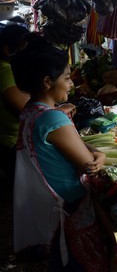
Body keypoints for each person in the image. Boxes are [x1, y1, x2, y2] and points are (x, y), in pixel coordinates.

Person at [11, 34, 110, 271]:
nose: (71, 84)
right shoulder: (52, 117)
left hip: (47, 208)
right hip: (67, 205)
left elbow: (72, 142)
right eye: (67, 78)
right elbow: (88, 163)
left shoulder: (30, 110)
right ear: (47, 81)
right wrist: (102, 156)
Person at [0, 24, 30, 178]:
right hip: (10, 142)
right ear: (7, 50)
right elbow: (24, 108)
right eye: (23, 49)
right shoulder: (4, 70)